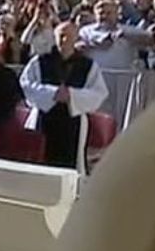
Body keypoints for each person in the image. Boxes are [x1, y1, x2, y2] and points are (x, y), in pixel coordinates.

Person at [20, 20, 109, 170]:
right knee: (42, 160)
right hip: (44, 116)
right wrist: (52, 93)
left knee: (69, 163)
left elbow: (99, 92)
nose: (64, 40)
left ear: (76, 38)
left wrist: (72, 95)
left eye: (69, 36)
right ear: (55, 37)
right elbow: (26, 83)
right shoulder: (40, 60)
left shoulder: (87, 65)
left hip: (73, 120)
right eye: (61, 36)